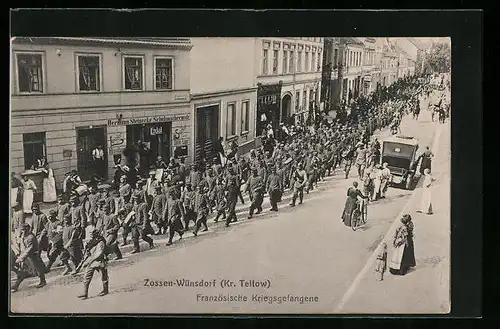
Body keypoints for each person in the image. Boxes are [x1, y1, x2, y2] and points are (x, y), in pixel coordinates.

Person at [11, 224, 47, 292]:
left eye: (23, 230)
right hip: (26, 256)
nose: (22, 231)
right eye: (21, 230)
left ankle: (43, 281)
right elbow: (22, 246)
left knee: (38, 269)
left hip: (33, 256)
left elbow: (29, 250)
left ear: (28, 229)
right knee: (23, 271)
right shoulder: (23, 235)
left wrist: (21, 258)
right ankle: (16, 285)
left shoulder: (31, 237)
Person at [76, 227, 109, 300]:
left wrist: (90, 260)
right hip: (91, 262)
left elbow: (99, 254)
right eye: (90, 233)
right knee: (86, 277)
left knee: (104, 276)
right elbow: (87, 253)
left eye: (92, 233)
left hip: (99, 261)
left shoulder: (101, 241)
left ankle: (105, 290)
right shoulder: (91, 242)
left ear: (96, 233)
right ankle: (85, 293)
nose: (90, 234)